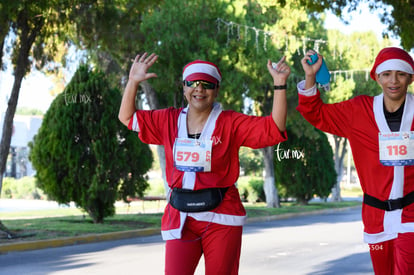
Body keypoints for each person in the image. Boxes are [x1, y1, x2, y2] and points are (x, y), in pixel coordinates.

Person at [118, 52, 290, 275]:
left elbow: (274, 129)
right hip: (181, 216)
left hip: (221, 216)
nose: (199, 89)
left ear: (216, 90)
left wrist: (279, 84)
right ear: (184, 87)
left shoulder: (230, 122)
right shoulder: (168, 119)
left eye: (207, 84)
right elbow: (128, 118)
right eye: (193, 83)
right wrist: (133, 82)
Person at [296, 47, 414, 275]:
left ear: (410, 77)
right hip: (375, 217)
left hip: (411, 215)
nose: (394, 80)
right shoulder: (358, 110)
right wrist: (311, 76)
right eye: (387, 74)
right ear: (377, 77)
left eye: (400, 74)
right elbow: (315, 113)